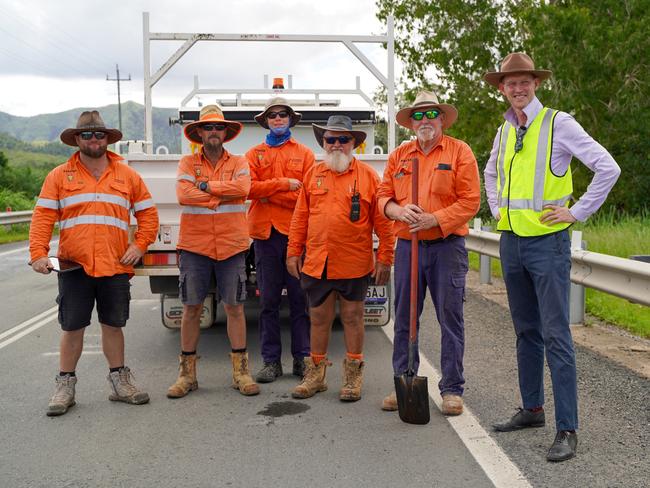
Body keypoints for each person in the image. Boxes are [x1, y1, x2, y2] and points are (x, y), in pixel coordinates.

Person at [483, 53, 621, 462]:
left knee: (557, 336)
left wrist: (576, 212)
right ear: (501, 88)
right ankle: (532, 409)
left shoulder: (558, 123)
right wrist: (497, 209)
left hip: (548, 244)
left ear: (535, 84)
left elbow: (607, 168)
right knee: (526, 331)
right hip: (511, 242)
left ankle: (567, 428)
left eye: (525, 81)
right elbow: (490, 173)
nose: (518, 88)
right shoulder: (505, 129)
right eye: (511, 83)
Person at [29, 110, 159, 416]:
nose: (93, 139)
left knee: (113, 325)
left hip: (115, 264)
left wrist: (139, 245)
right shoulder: (59, 176)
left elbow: (148, 215)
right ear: (77, 139)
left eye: (99, 134)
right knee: (73, 327)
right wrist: (38, 253)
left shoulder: (127, 175)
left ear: (108, 139)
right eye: (86, 135)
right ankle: (65, 387)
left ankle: (120, 383)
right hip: (75, 265)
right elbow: (43, 216)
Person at [377, 91, 481, 416]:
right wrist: (396, 210)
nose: (425, 121)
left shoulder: (459, 152)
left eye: (430, 114)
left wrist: (435, 218)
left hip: (446, 247)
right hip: (408, 246)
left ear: (441, 118)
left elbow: (470, 200)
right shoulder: (398, 156)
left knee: (450, 317)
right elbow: (383, 195)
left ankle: (452, 388)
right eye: (418, 116)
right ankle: (403, 379)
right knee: (405, 318)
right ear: (411, 122)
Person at [286, 115, 394, 402]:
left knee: (353, 316)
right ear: (323, 143)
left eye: (342, 139)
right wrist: (293, 251)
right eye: (330, 139)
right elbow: (300, 217)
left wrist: (385, 257)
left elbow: (383, 223)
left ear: (353, 144)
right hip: (317, 260)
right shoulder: (313, 174)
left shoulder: (369, 176)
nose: (336, 144)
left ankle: (353, 376)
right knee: (318, 317)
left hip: (354, 260)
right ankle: (315, 375)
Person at [167, 104, 259, 398]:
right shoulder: (186, 162)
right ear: (199, 133)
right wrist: (214, 198)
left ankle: (241, 372)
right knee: (192, 308)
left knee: (234, 307)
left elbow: (243, 189)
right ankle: (187, 376)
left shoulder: (240, 161)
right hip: (195, 246)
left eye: (218, 127)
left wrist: (205, 186)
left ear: (225, 132)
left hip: (232, 245)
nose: (214, 132)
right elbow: (183, 194)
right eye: (208, 128)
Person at [245, 97, 314, 383]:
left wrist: (268, 193)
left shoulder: (305, 154)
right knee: (268, 302)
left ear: (289, 119)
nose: (277, 119)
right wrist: (284, 184)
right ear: (266, 120)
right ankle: (271, 362)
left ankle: (302, 359)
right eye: (272, 115)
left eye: (282, 114)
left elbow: (307, 196)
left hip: (296, 236)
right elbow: (248, 189)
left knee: (300, 300)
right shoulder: (253, 154)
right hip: (264, 237)